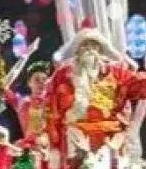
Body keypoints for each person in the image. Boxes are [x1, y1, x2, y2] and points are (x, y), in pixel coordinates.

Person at [47, 22, 146, 155]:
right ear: (77, 50)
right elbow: (50, 109)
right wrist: (54, 146)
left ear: (101, 51)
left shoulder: (116, 74)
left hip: (110, 138)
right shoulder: (62, 76)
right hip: (75, 138)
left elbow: (140, 85)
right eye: (85, 46)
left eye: (94, 46)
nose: (89, 50)